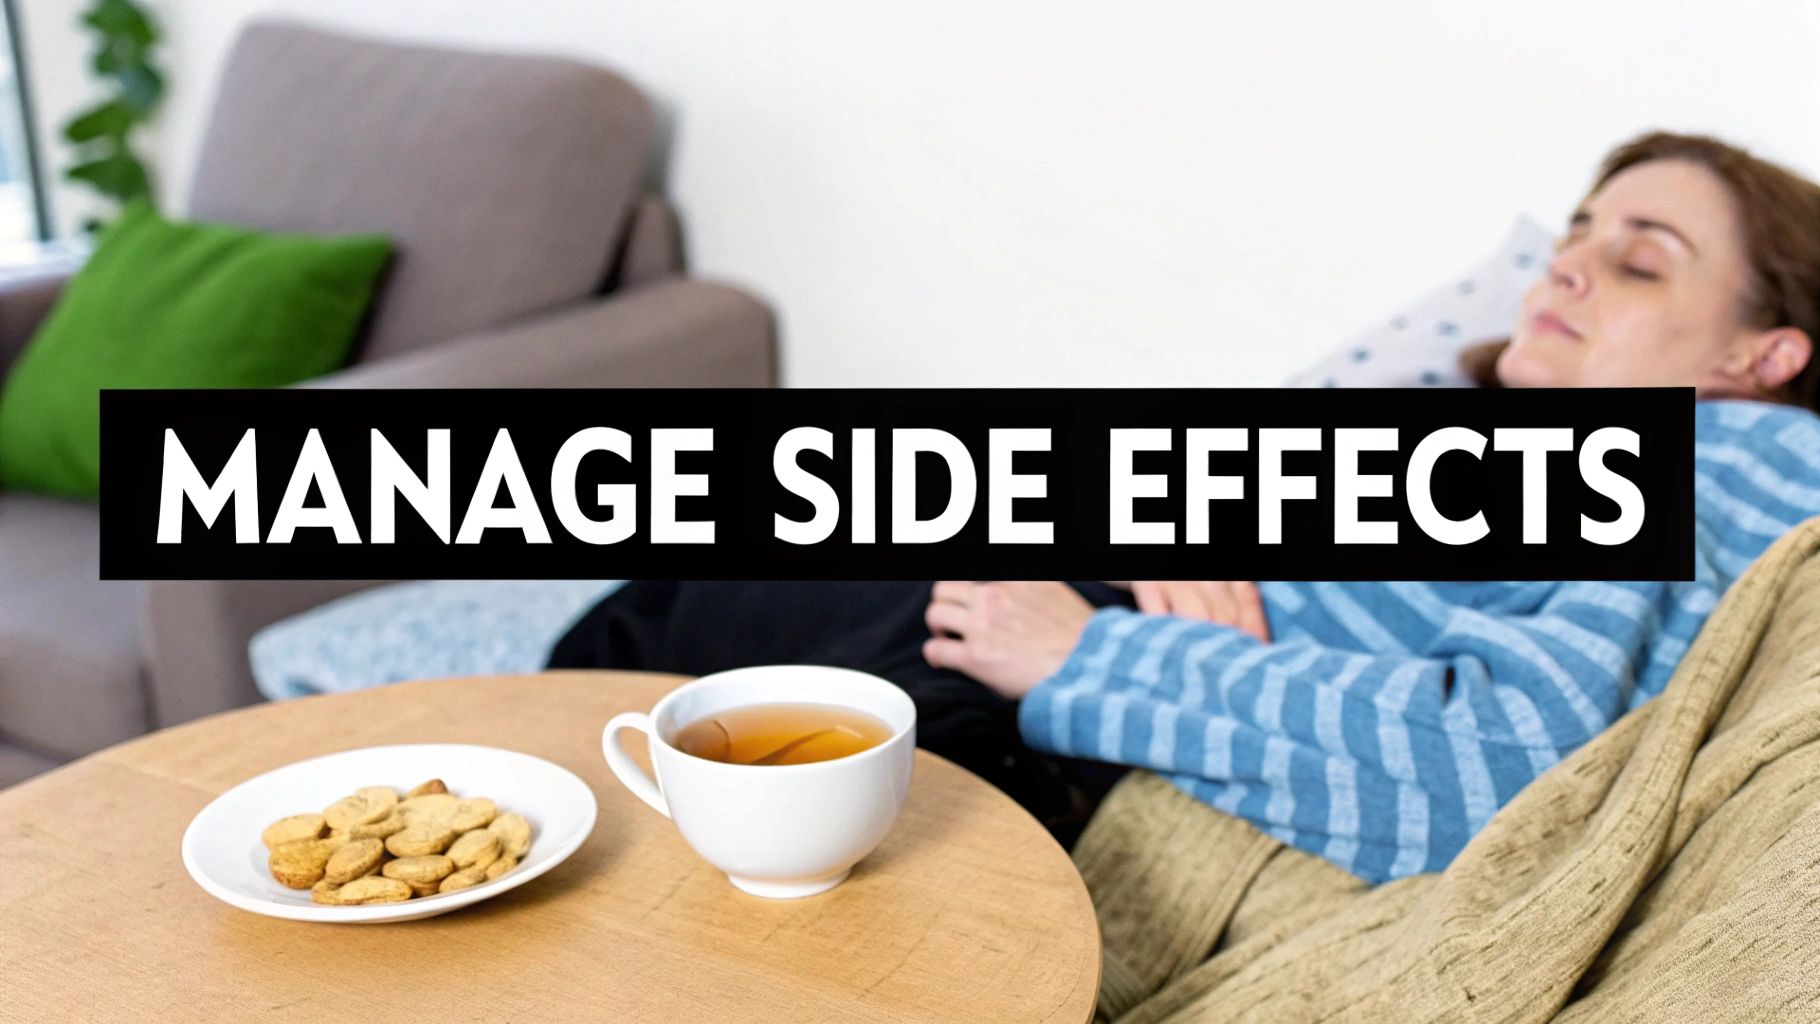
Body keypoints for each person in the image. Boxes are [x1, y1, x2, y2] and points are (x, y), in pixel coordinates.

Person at [551, 131, 1820, 880]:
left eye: (1639, 257)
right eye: (1578, 232)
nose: (1571, 262)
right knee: (615, 662)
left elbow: (1493, 768)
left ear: (1760, 356)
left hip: (1049, 633)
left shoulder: (1714, 462)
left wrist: (1099, 653)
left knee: (796, 823)